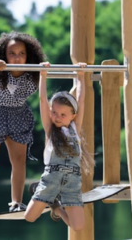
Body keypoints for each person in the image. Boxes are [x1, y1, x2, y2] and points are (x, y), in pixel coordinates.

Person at [0, 31, 48, 213]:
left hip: (18, 114)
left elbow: (45, 86)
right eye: (12, 53)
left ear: (28, 55)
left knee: (19, 160)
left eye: (21, 53)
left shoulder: (33, 73)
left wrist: (45, 70)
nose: (17, 58)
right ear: (4, 55)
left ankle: (16, 203)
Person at [24, 63, 94, 231]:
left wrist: (81, 76)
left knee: (78, 226)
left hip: (72, 182)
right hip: (51, 179)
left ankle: (56, 207)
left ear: (73, 116)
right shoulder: (50, 130)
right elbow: (42, 100)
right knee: (29, 217)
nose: (57, 117)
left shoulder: (74, 129)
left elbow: (82, 100)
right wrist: (43, 75)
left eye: (63, 115)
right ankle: (49, 200)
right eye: (54, 112)